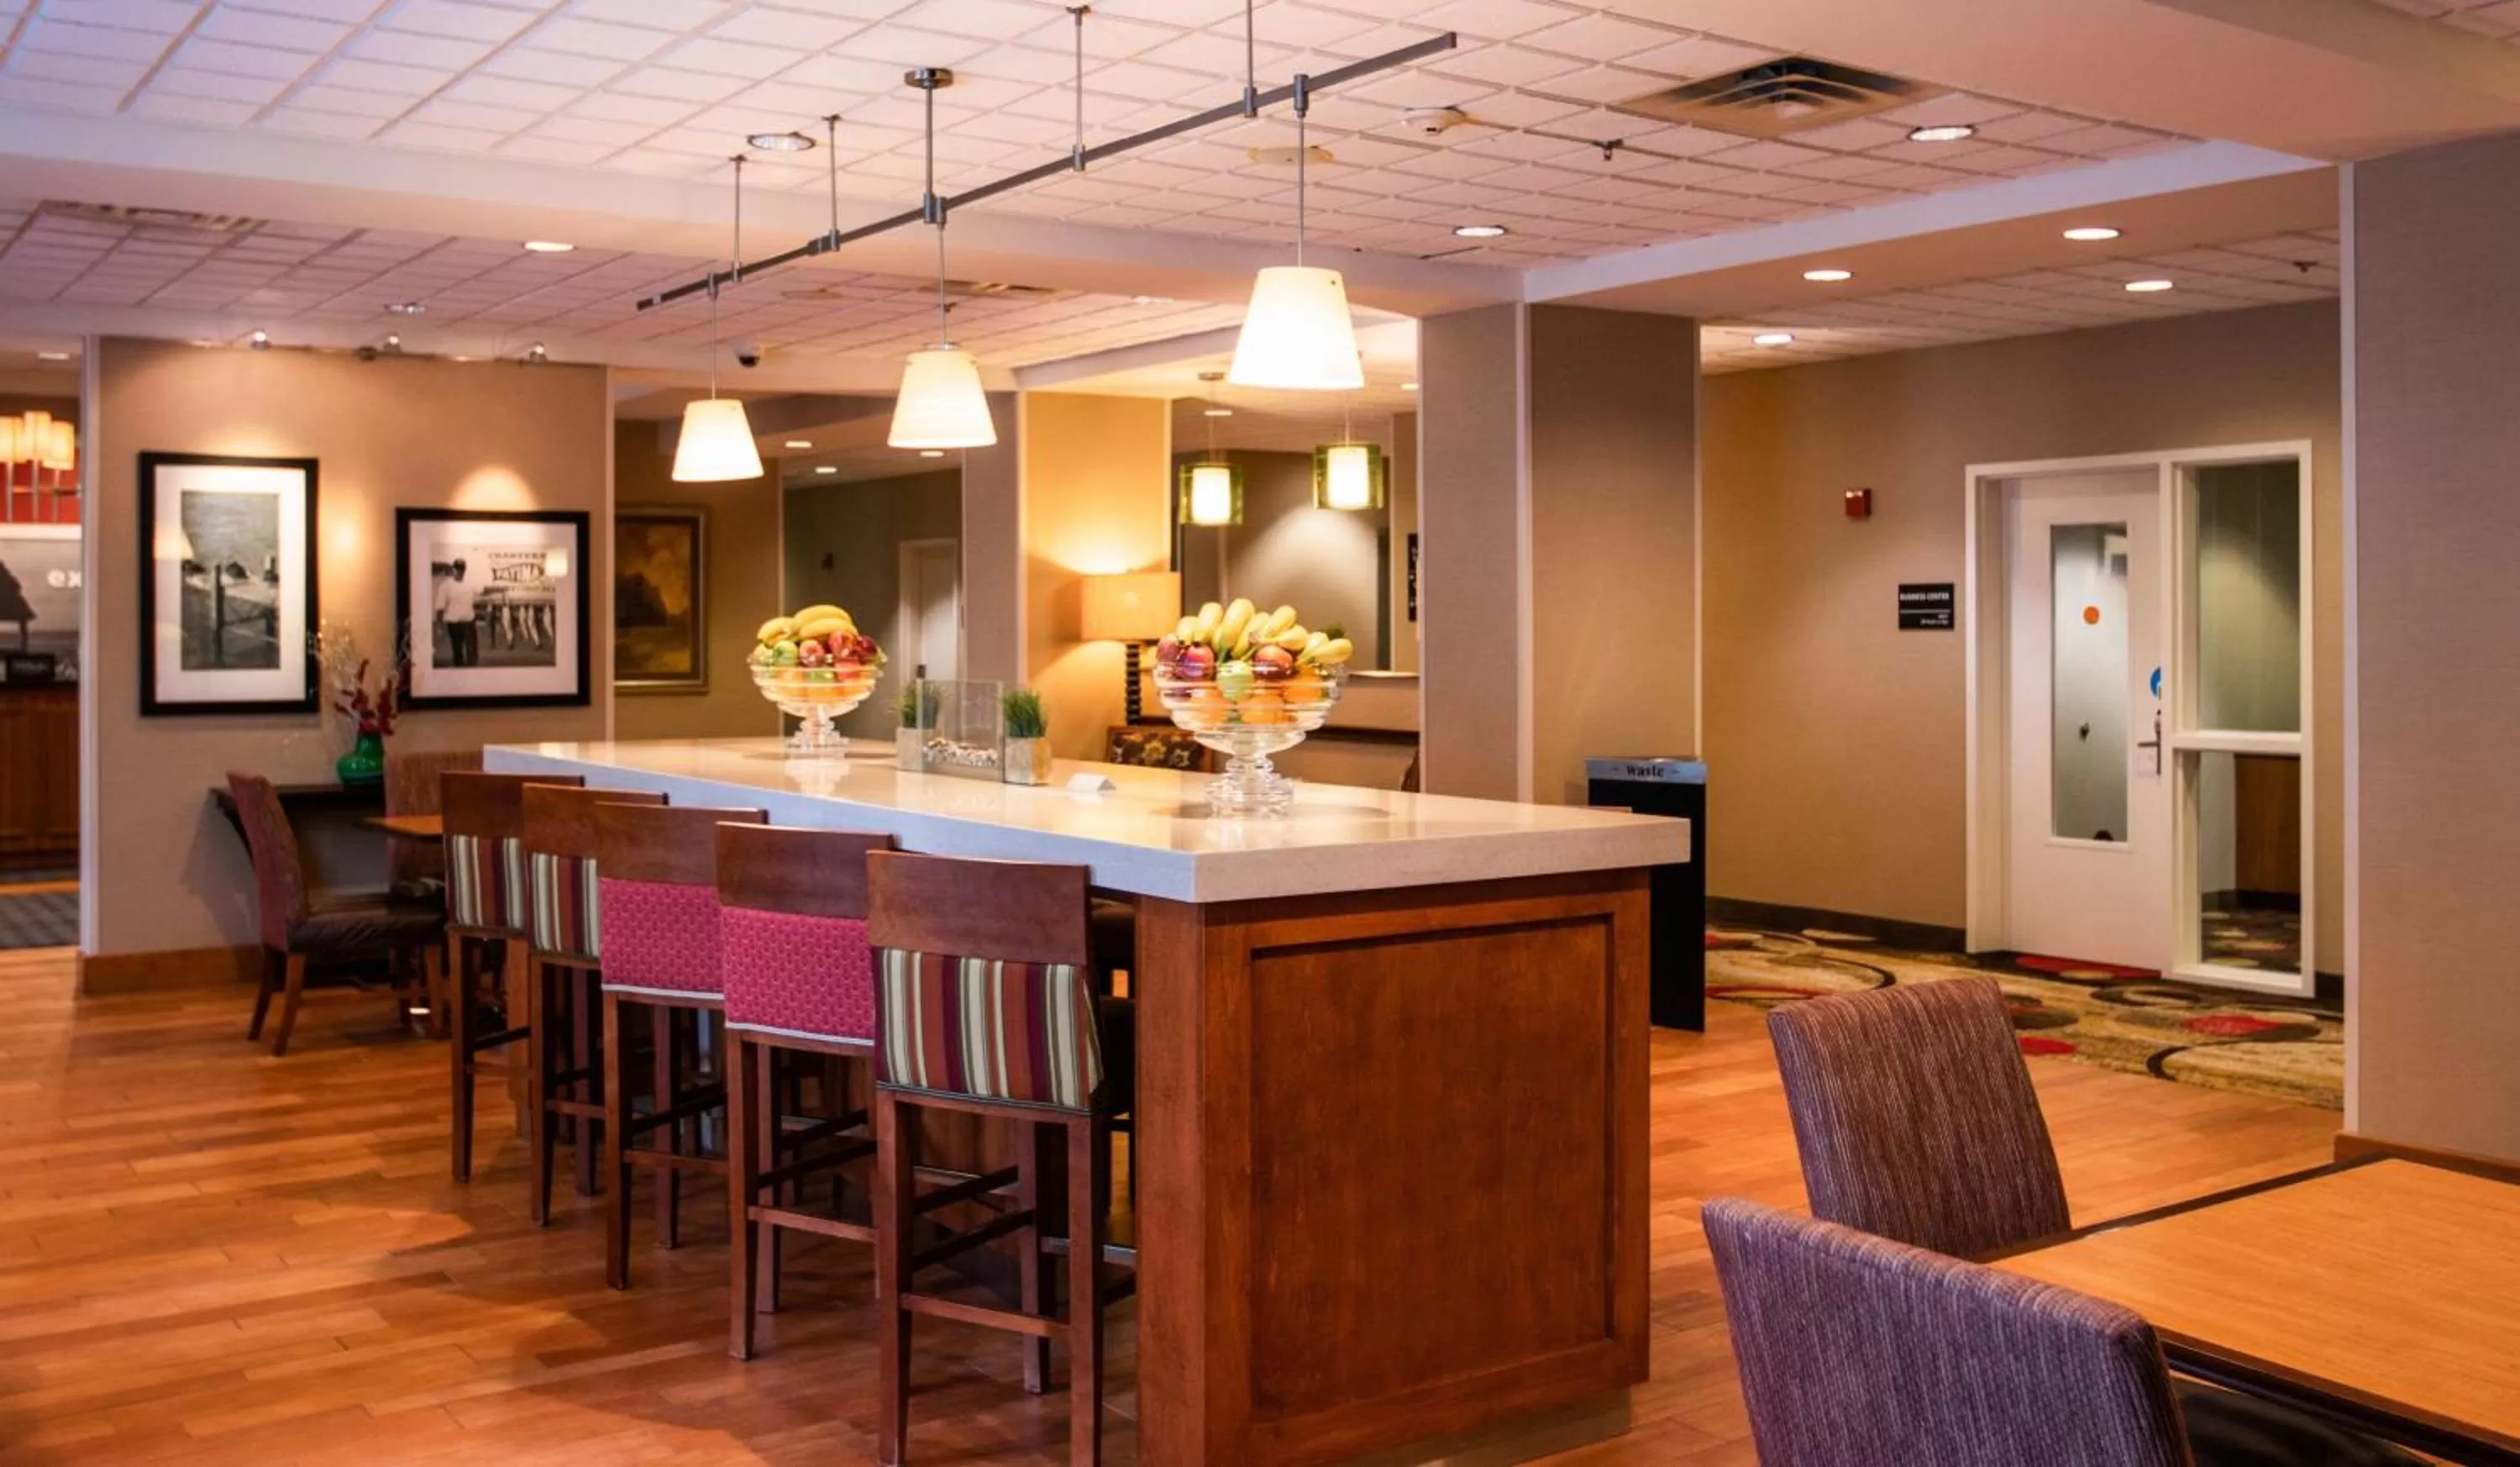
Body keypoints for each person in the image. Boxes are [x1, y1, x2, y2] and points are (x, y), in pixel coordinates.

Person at [435, 557, 479, 667]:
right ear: (453, 569)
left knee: (472, 655)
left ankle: (472, 677)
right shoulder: (445, 586)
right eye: (457, 569)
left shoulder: (470, 585)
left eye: (462, 569)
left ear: (465, 570)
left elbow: (475, 602)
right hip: (454, 624)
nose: (459, 571)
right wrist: (439, 626)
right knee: (458, 652)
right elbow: (440, 607)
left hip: (469, 623)